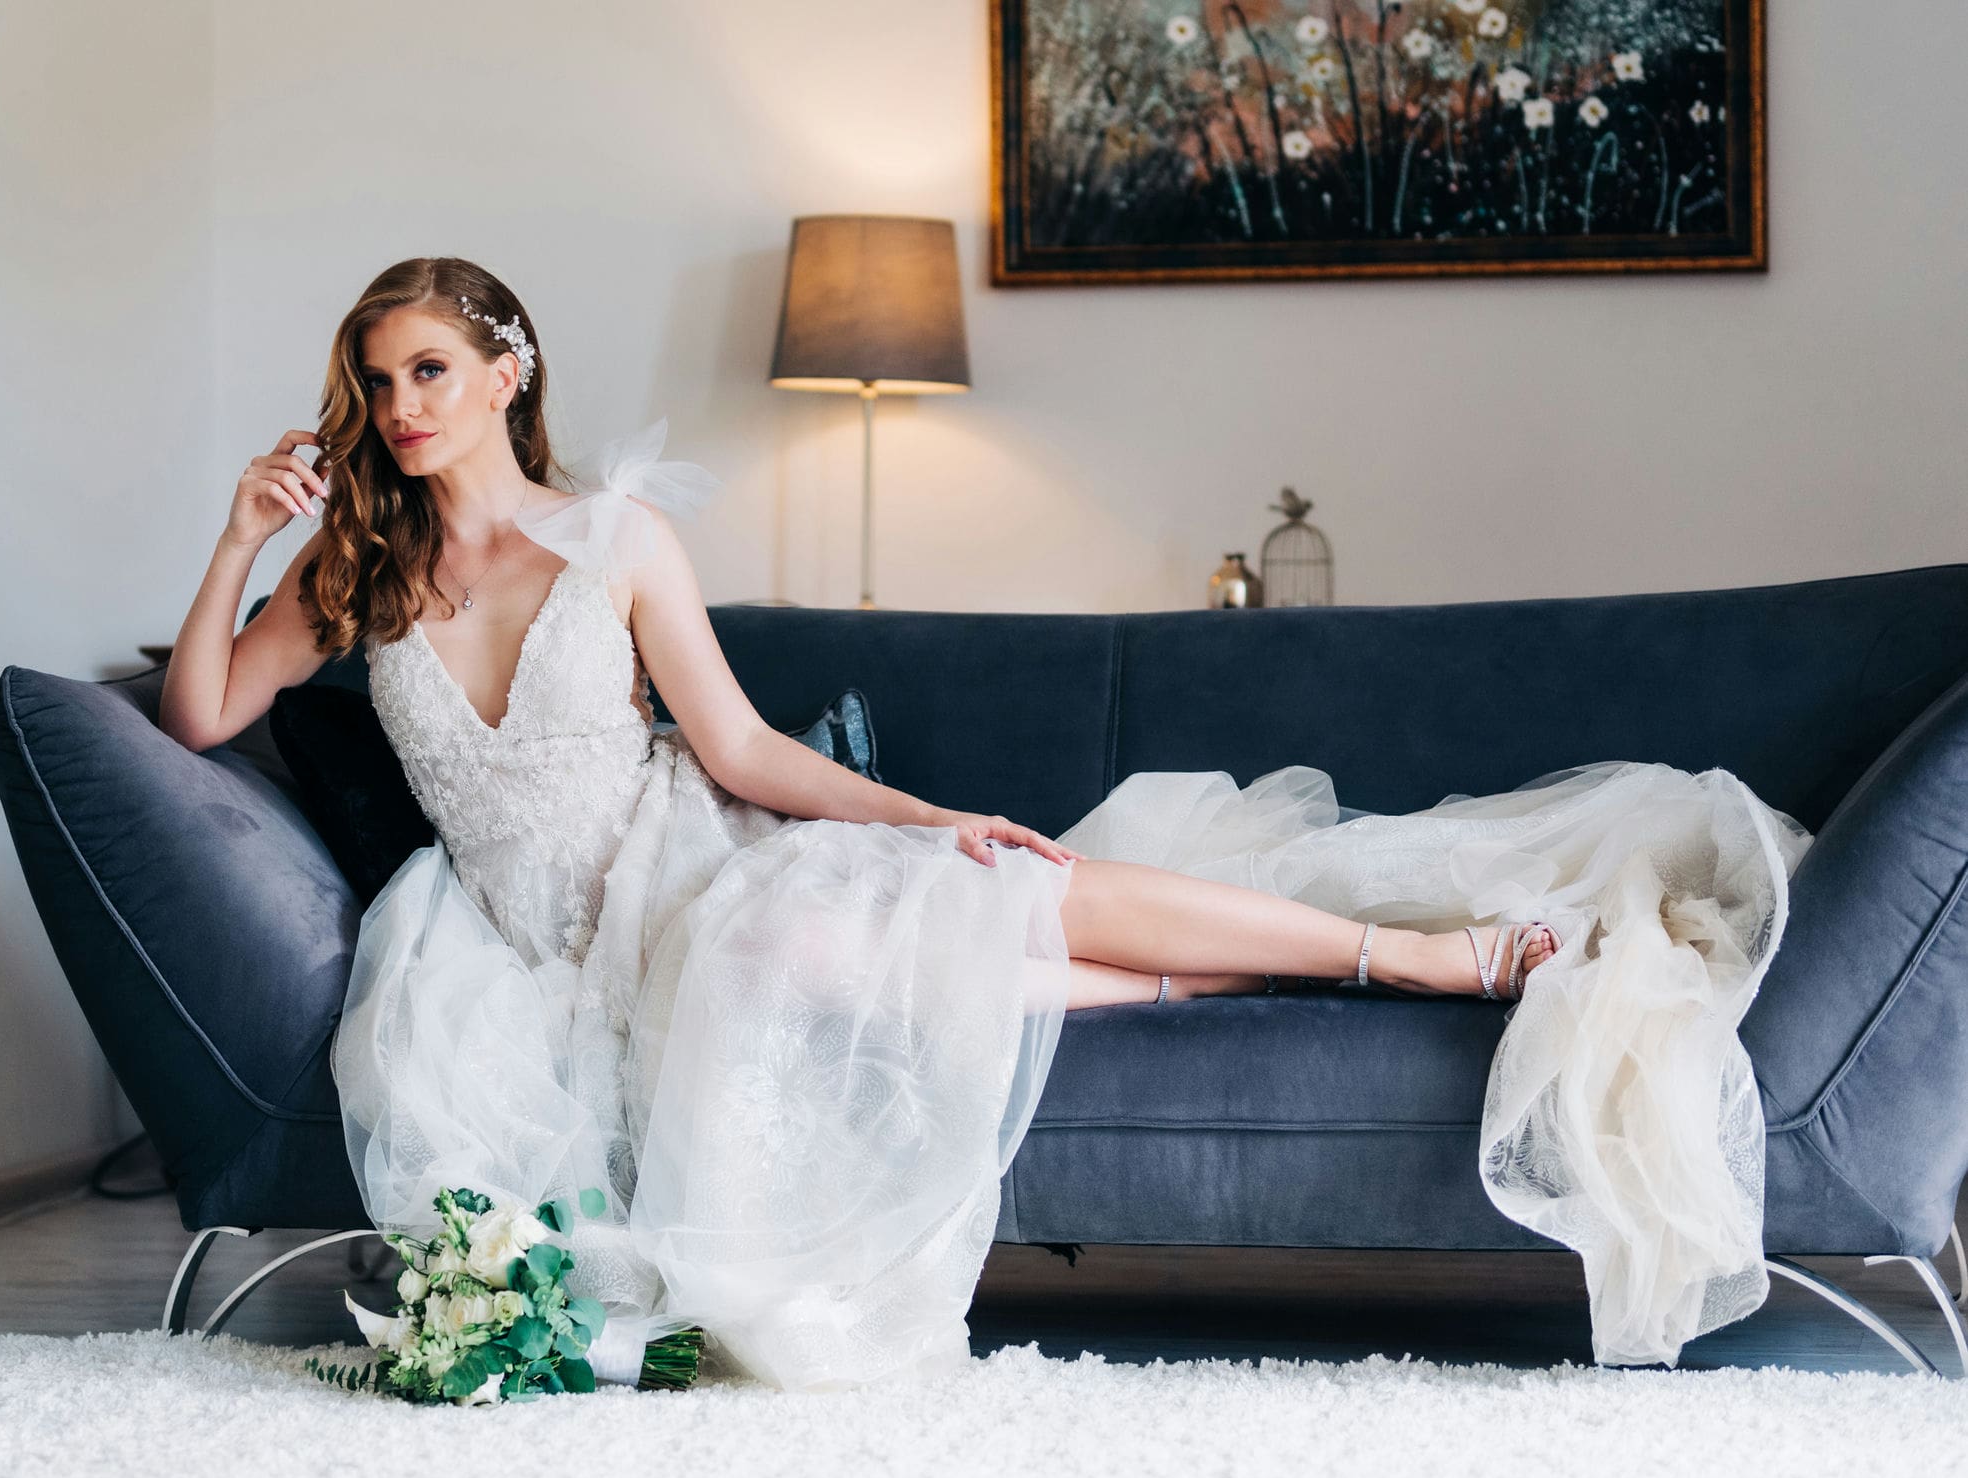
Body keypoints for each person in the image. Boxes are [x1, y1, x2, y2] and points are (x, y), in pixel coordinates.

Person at [158, 256, 1809, 1388]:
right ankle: (1214, 974)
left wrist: (935, 814)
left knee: (915, 908)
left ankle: (1411, 955)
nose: (402, 405)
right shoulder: (357, 573)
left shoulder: (617, 539)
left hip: (682, 867)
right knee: (825, 970)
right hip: (504, 949)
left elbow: (738, 745)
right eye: (378, 381)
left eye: (429, 370)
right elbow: (202, 713)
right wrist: (239, 539)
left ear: (504, 371)